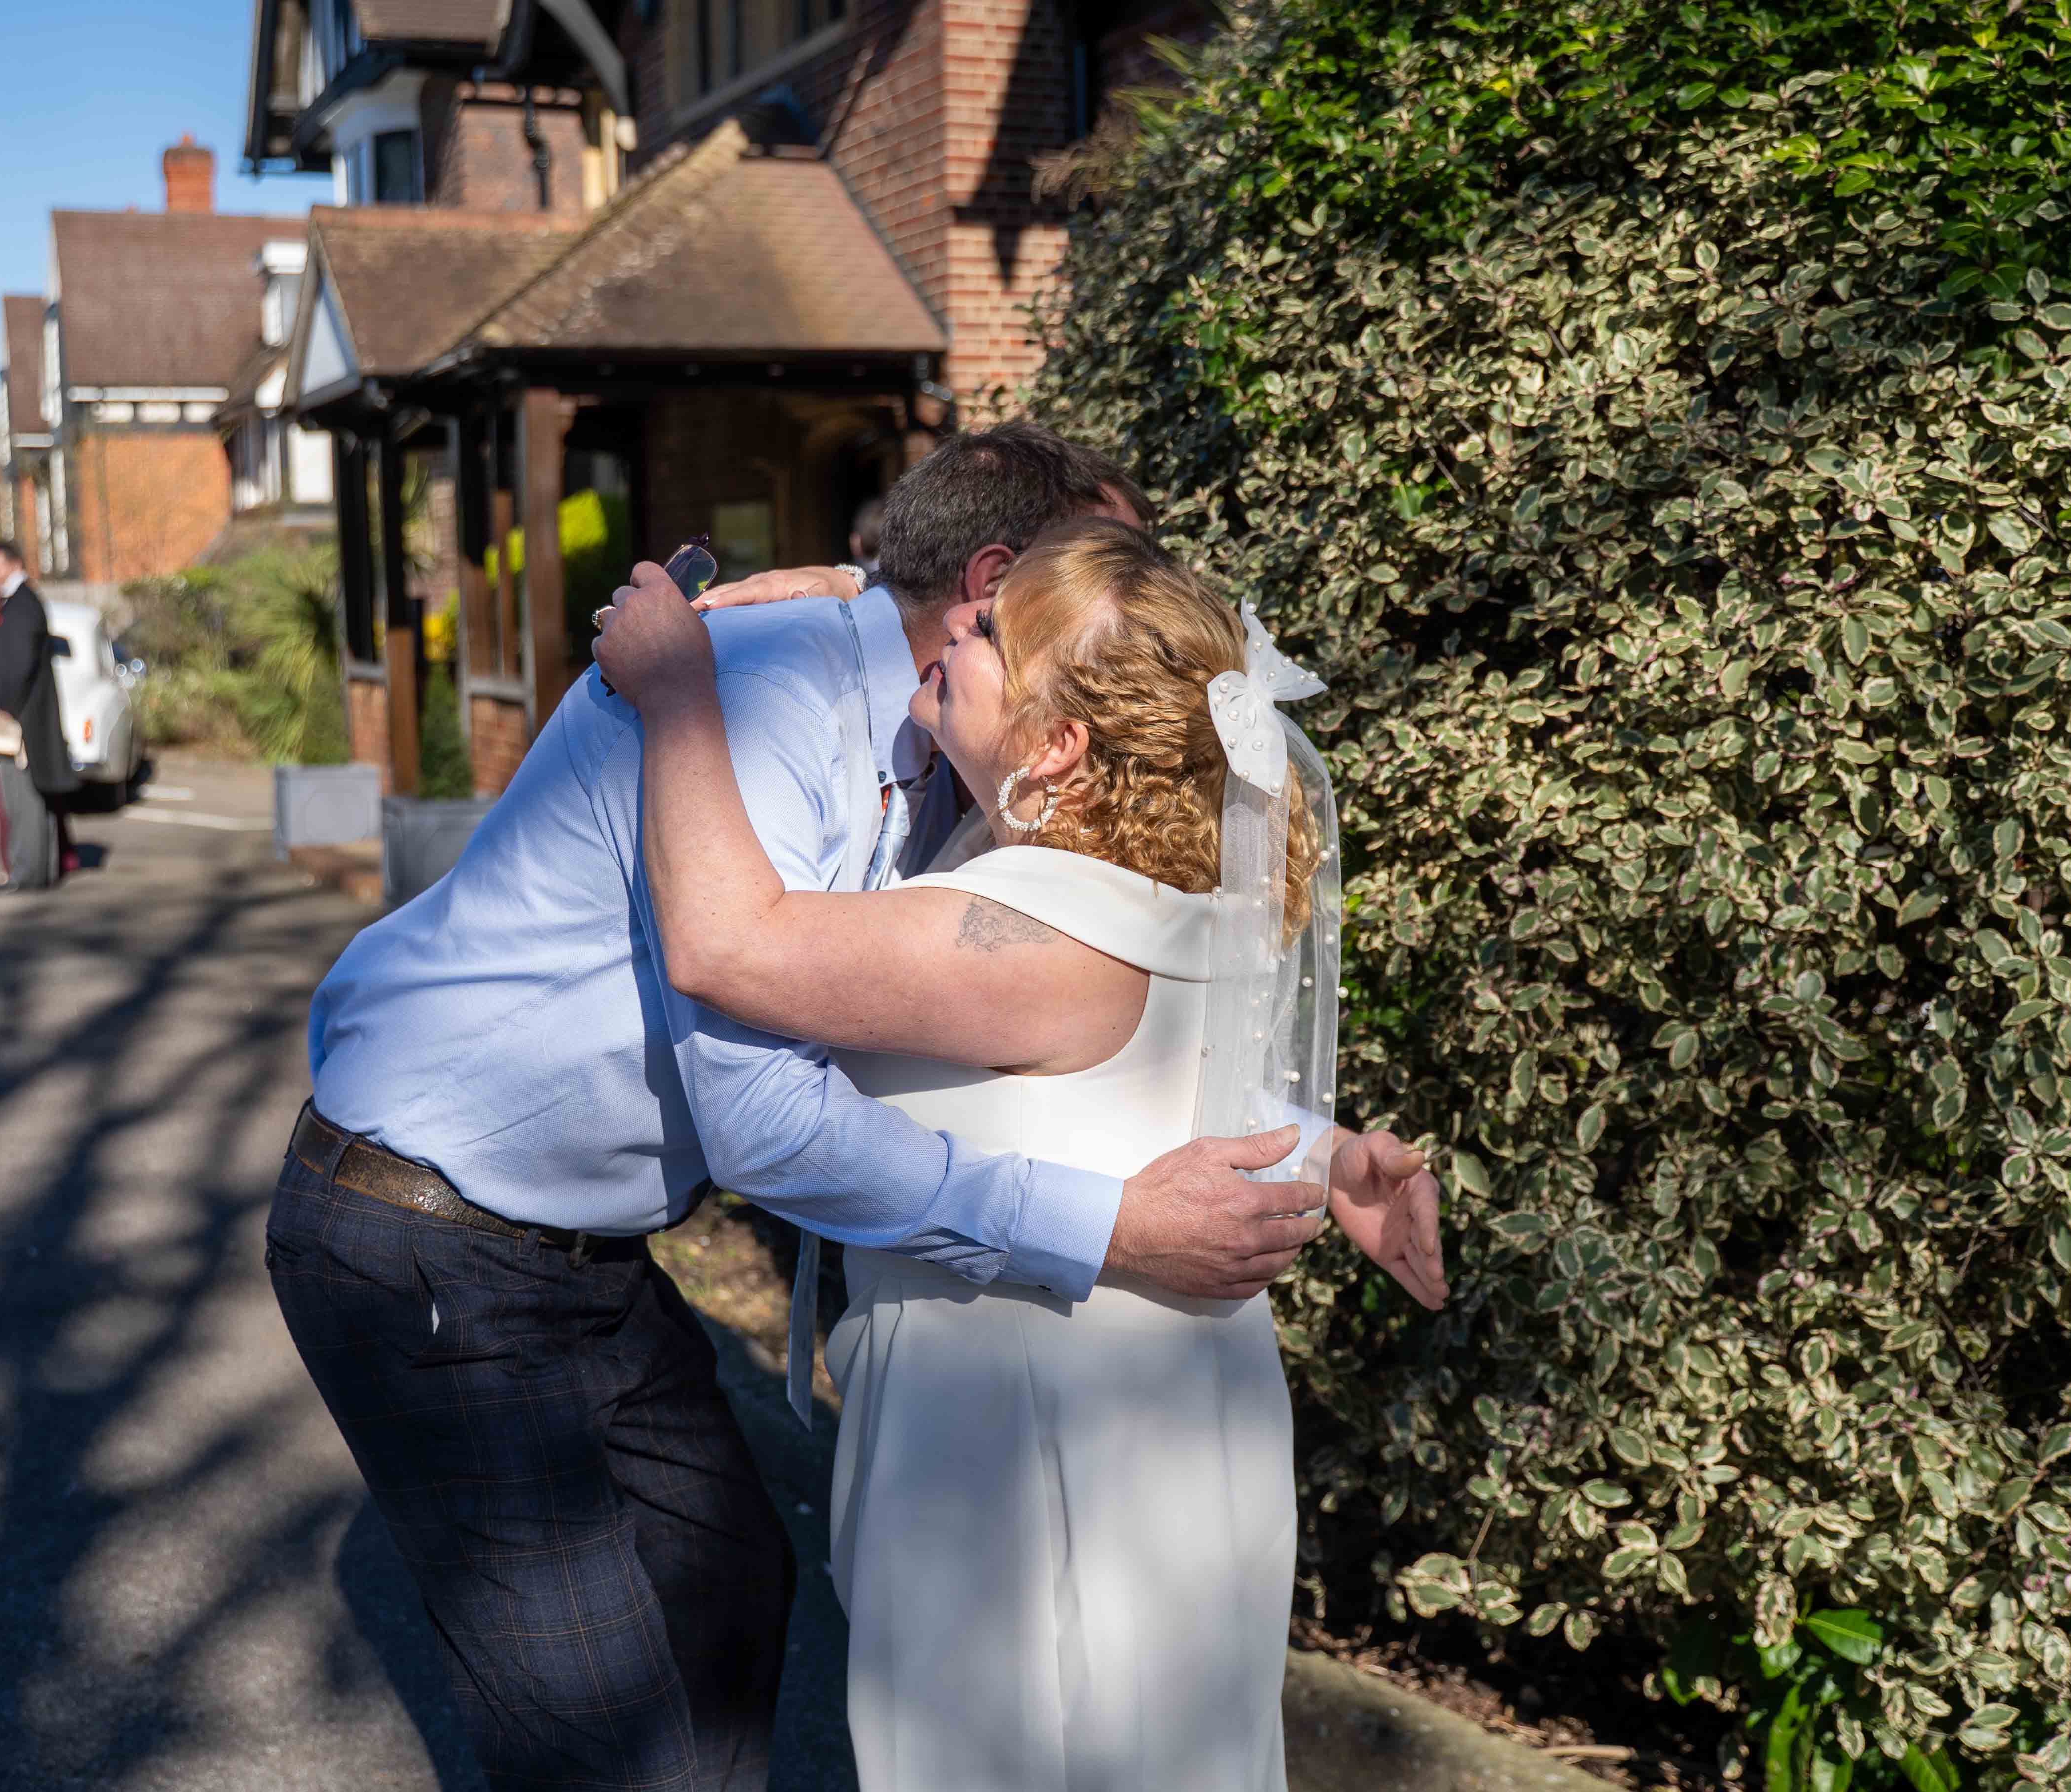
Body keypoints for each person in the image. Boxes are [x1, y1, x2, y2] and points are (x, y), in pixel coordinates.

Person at [275, 423, 1416, 1792]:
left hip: (715, 1294)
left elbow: (774, 954)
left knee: (738, 1603)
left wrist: (744, 655)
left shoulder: (1010, 835)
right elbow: (770, 1104)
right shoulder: (800, 715)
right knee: (608, 1713)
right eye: (1046, 590)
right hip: (430, 1221)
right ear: (991, 581)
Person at [594, 517, 1442, 1792]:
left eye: (989, 633)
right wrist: (1322, 1158)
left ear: (1059, 746)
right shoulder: (1169, 890)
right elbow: (1156, 1080)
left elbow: (727, 944)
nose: (952, 624)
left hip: (1028, 1451)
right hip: (1164, 1429)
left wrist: (675, 697)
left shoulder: (1042, 919)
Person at [0, 539, 75, 893]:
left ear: (15, 565)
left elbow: (17, 667)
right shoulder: (18, 603)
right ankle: (38, 870)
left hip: (22, 721)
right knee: (28, 798)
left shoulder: (21, 606)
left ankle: (28, 874)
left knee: (23, 799)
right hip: (25, 715)